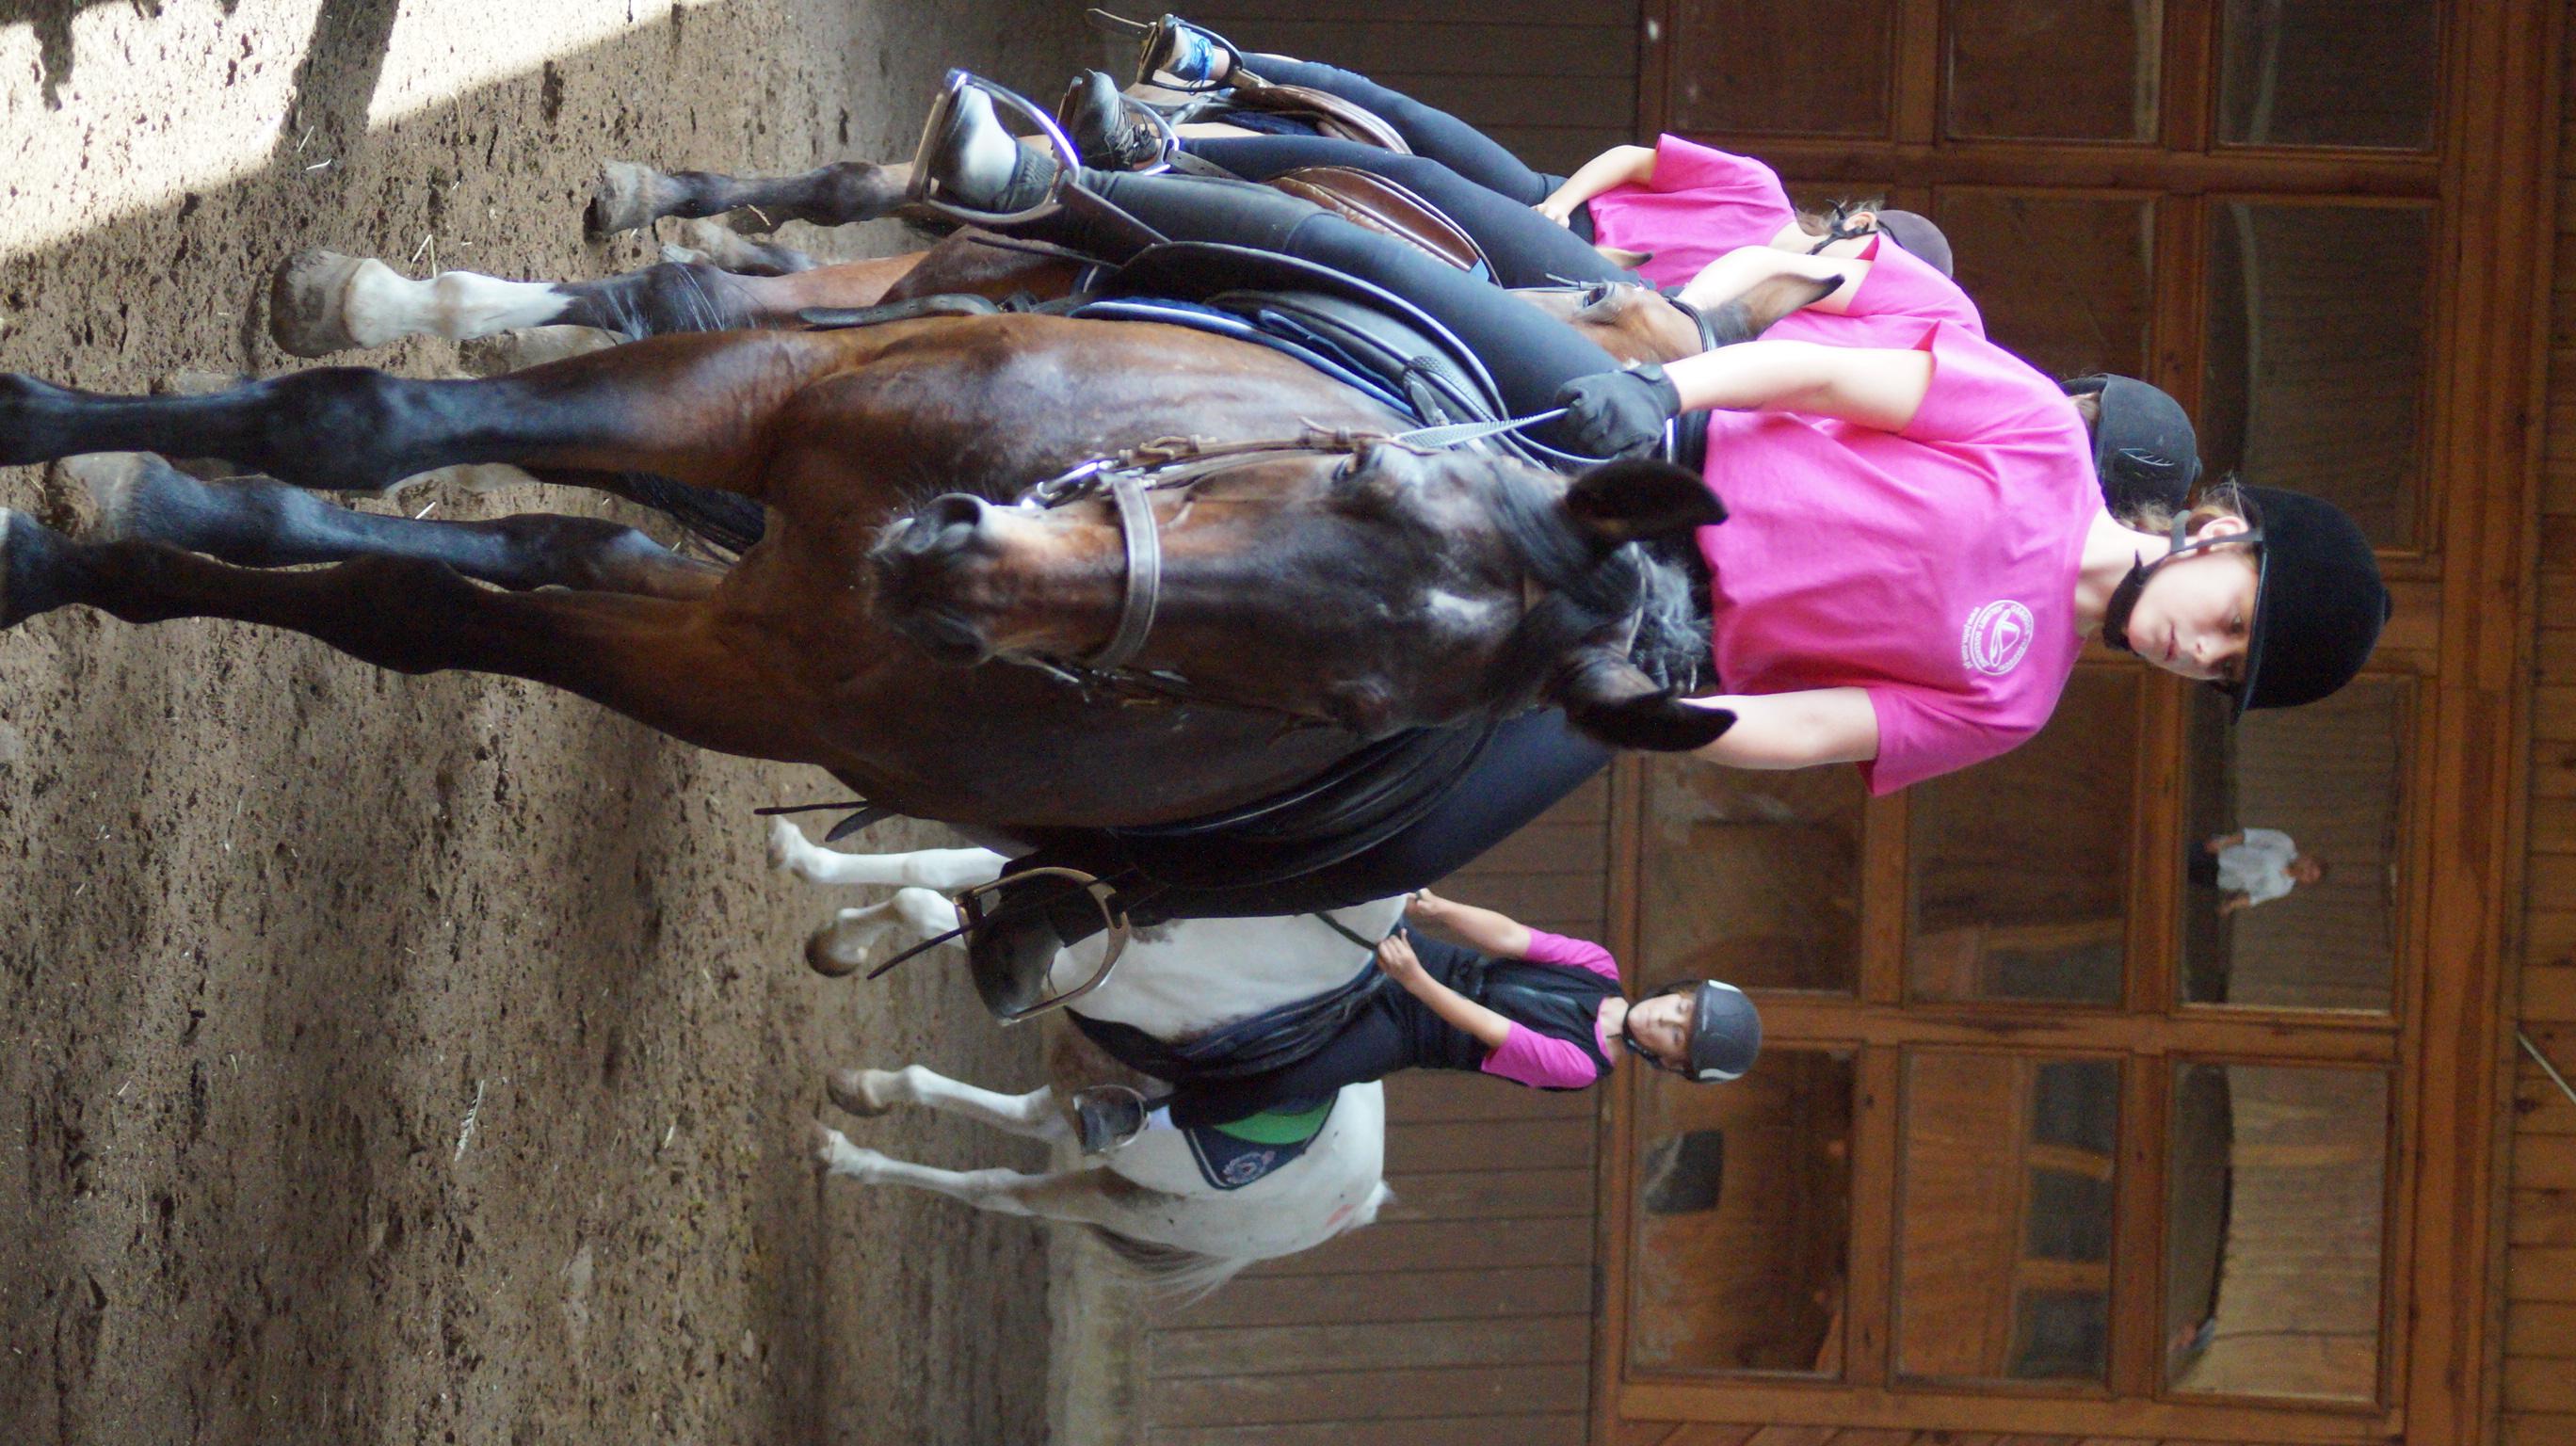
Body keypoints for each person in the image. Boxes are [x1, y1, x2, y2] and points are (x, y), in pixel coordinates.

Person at [908, 73, 2388, 929]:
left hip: (1649, 643)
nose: (2198, 651)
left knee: (1399, 848)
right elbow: (1826, 376)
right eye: (2231, 620)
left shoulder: (2018, 702)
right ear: (2225, 534)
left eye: (2221, 672)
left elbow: (1817, 727)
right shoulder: (2039, 438)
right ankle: (1050, 180)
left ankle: (1093, 886)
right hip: (1655, 450)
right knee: (1408, 270)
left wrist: (1666, 720)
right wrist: (1665, 389)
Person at [1076, 15, 1956, 293]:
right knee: (1405, 120)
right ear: (1861, 225)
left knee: (1397, 202)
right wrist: (1560, 205)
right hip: (1556, 202)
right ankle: (1217, 69)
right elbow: (1633, 159)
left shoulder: (1766, 312)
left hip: (1558, 282)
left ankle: (1161, 164)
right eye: (1872, 255)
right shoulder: (1755, 190)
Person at [1067, 889, 1762, 1153]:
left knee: (1289, 1080)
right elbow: (1511, 937)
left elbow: (1492, 1030)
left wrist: (1413, 982)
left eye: (1677, 1034)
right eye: (1681, 1007)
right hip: (1437, 962)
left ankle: (1147, 1118)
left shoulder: (1582, 1067)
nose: (1667, 1018)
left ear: (1670, 1062)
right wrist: (1438, 910)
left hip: (1415, 1027)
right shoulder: (1598, 965)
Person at [2193, 828, 2327, 914]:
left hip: (2219, 878)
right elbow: (2249, 836)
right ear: (2308, 858)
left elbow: (2254, 898)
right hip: (2219, 855)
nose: (2305, 871)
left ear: (2306, 882)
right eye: (2310, 866)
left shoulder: (2283, 888)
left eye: (2309, 876)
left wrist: (2231, 905)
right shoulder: (2285, 844)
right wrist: (2222, 843)